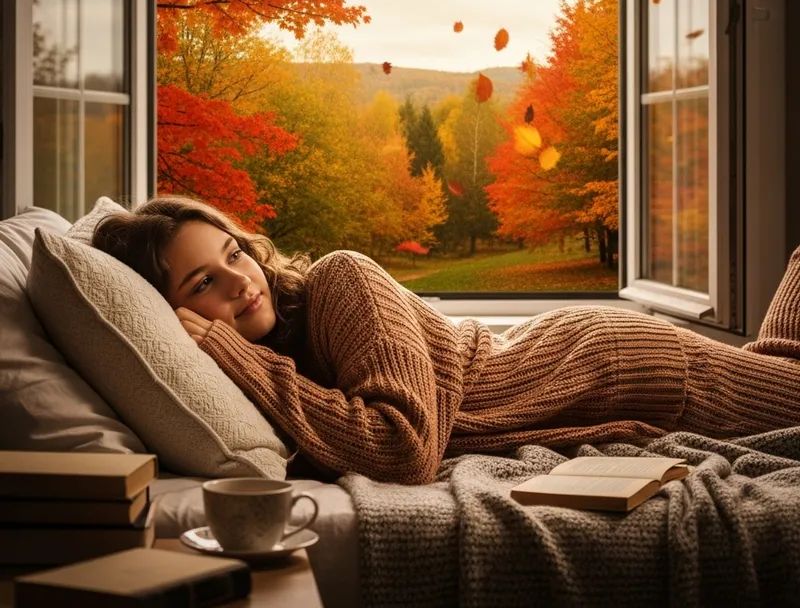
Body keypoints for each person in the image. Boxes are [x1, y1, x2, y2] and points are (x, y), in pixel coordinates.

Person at [93, 195, 800, 486]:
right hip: (576, 365)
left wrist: (228, 348)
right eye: (201, 286)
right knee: (778, 368)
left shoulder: (341, 280)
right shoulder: (264, 352)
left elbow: (402, 448)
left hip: (607, 361)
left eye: (234, 254)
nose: (238, 283)